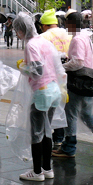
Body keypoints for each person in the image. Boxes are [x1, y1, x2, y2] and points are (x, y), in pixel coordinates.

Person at [52, 12, 93, 159]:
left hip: (79, 82)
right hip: (87, 81)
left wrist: (60, 67)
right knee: (86, 114)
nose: (65, 26)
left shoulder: (78, 39)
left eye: (66, 23)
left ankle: (69, 147)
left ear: (72, 23)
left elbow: (78, 62)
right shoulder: (84, 37)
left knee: (70, 113)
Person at [14, 13, 66, 181]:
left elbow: (37, 71)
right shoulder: (45, 42)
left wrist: (23, 67)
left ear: (21, 30)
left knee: (36, 132)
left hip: (42, 91)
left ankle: (37, 172)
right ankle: (47, 169)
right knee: (47, 130)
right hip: (54, 90)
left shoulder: (31, 45)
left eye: (16, 30)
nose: (16, 34)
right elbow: (57, 67)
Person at [39, 9, 72, 149]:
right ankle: (65, 139)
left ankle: (55, 138)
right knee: (67, 108)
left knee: (54, 107)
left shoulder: (43, 37)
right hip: (70, 74)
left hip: (52, 76)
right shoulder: (68, 34)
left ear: (44, 25)